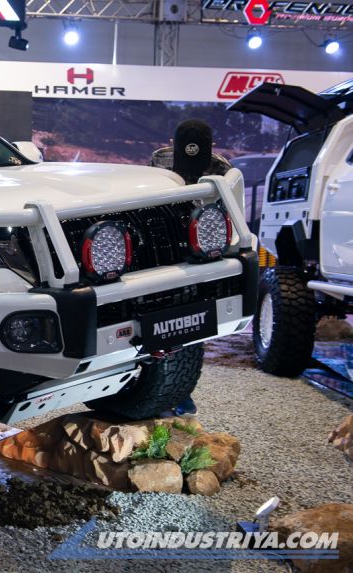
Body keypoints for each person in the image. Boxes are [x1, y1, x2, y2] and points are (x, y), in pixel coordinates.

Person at [150, 118, 232, 417]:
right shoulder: (159, 161)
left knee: (192, 321)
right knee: (157, 320)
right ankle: (159, 388)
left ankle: (180, 391)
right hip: (164, 247)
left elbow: (228, 206)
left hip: (203, 251)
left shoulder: (221, 167)